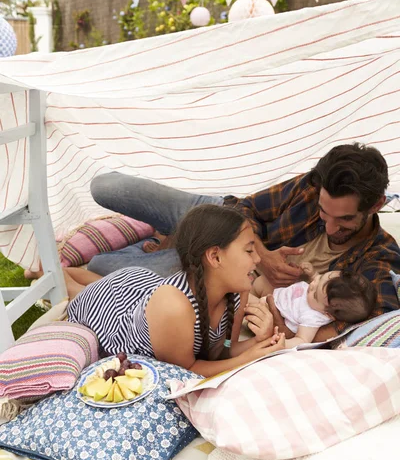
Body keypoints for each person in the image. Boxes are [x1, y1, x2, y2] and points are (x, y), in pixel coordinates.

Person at [87, 143, 400, 340]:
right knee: (105, 186)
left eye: (344, 220)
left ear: (377, 205)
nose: (330, 227)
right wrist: (263, 255)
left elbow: (376, 324)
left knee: (99, 266)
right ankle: (166, 235)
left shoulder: (379, 256)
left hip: (218, 262)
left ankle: (167, 241)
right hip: (218, 215)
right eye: (323, 212)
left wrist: (287, 325)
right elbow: (245, 208)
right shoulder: (312, 185)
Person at [66, 204, 285, 377]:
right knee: (76, 291)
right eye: (249, 250)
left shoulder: (237, 291)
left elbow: (224, 349)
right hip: (114, 308)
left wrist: (260, 342)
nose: (257, 259)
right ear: (215, 257)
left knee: (98, 281)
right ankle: (59, 271)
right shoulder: (175, 307)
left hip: (143, 288)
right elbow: (184, 370)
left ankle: (69, 272)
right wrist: (248, 359)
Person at [250, 262, 377, 348]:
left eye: (315, 294)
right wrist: (313, 274)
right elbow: (320, 285)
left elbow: (302, 340)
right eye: (321, 278)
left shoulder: (313, 318)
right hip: (277, 296)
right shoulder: (322, 296)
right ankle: (249, 289)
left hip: (270, 313)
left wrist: (283, 343)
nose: (312, 285)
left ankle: (243, 296)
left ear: (326, 314)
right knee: (262, 282)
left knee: (247, 299)